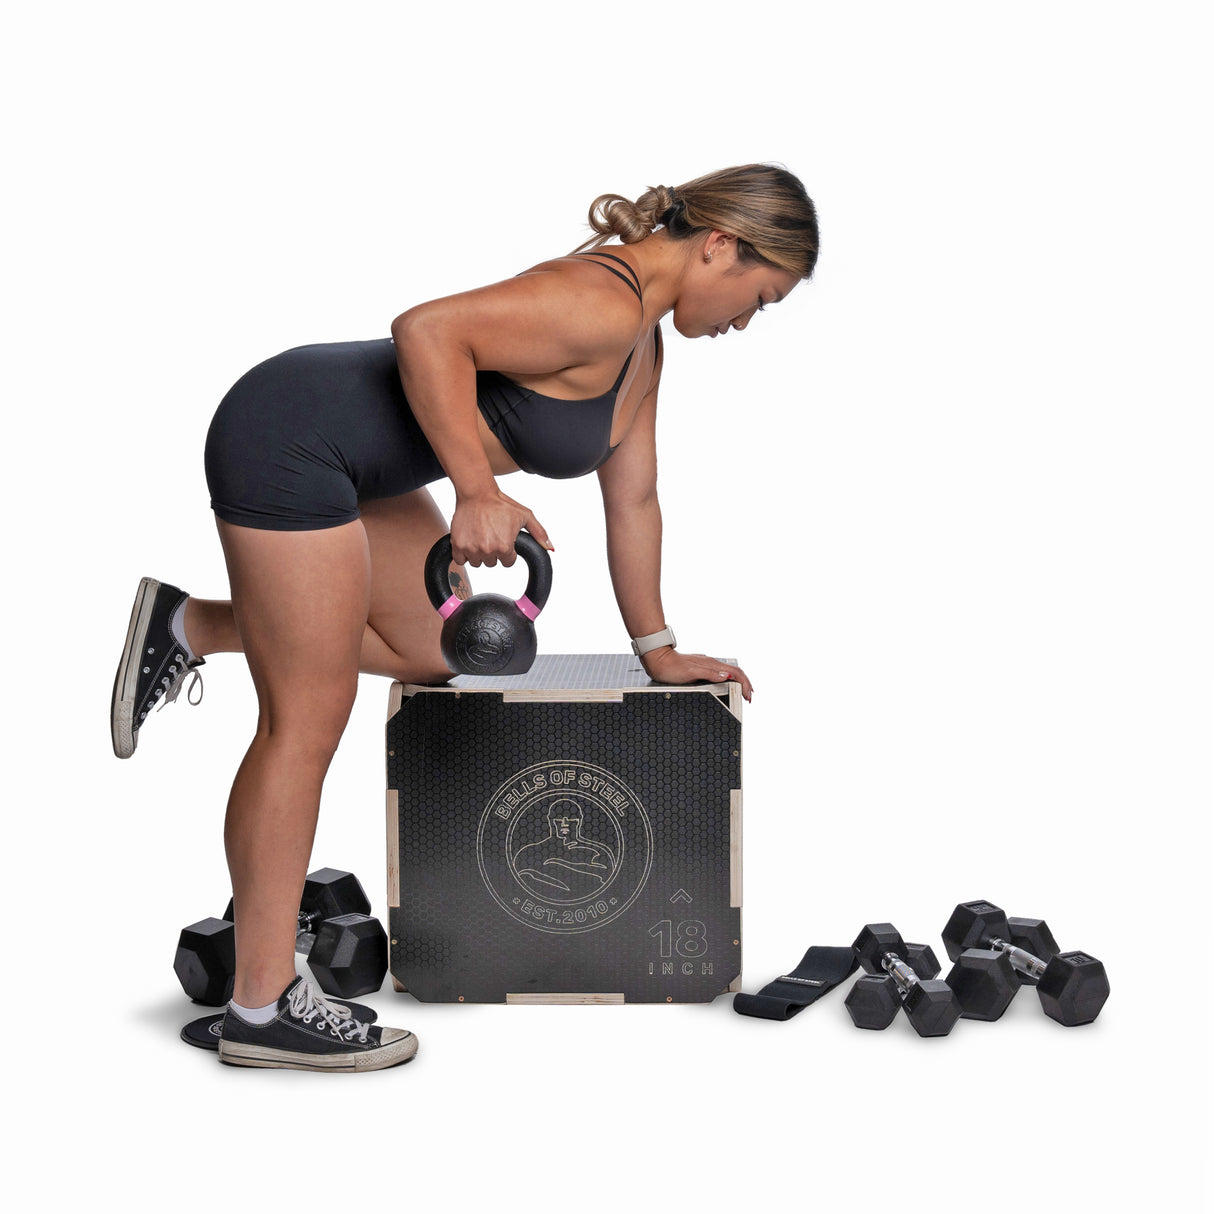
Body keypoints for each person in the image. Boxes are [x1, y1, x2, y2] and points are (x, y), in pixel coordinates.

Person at [111, 163, 819, 1072]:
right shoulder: (598, 300)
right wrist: (476, 492)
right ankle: (257, 1007)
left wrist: (660, 650)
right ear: (720, 245)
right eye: (757, 297)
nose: (746, 322)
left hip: (363, 463)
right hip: (292, 439)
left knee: (428, 650)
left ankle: (191, 627)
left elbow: (634, 502)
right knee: (307, 718)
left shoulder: (643, 345)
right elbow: (427, 329)